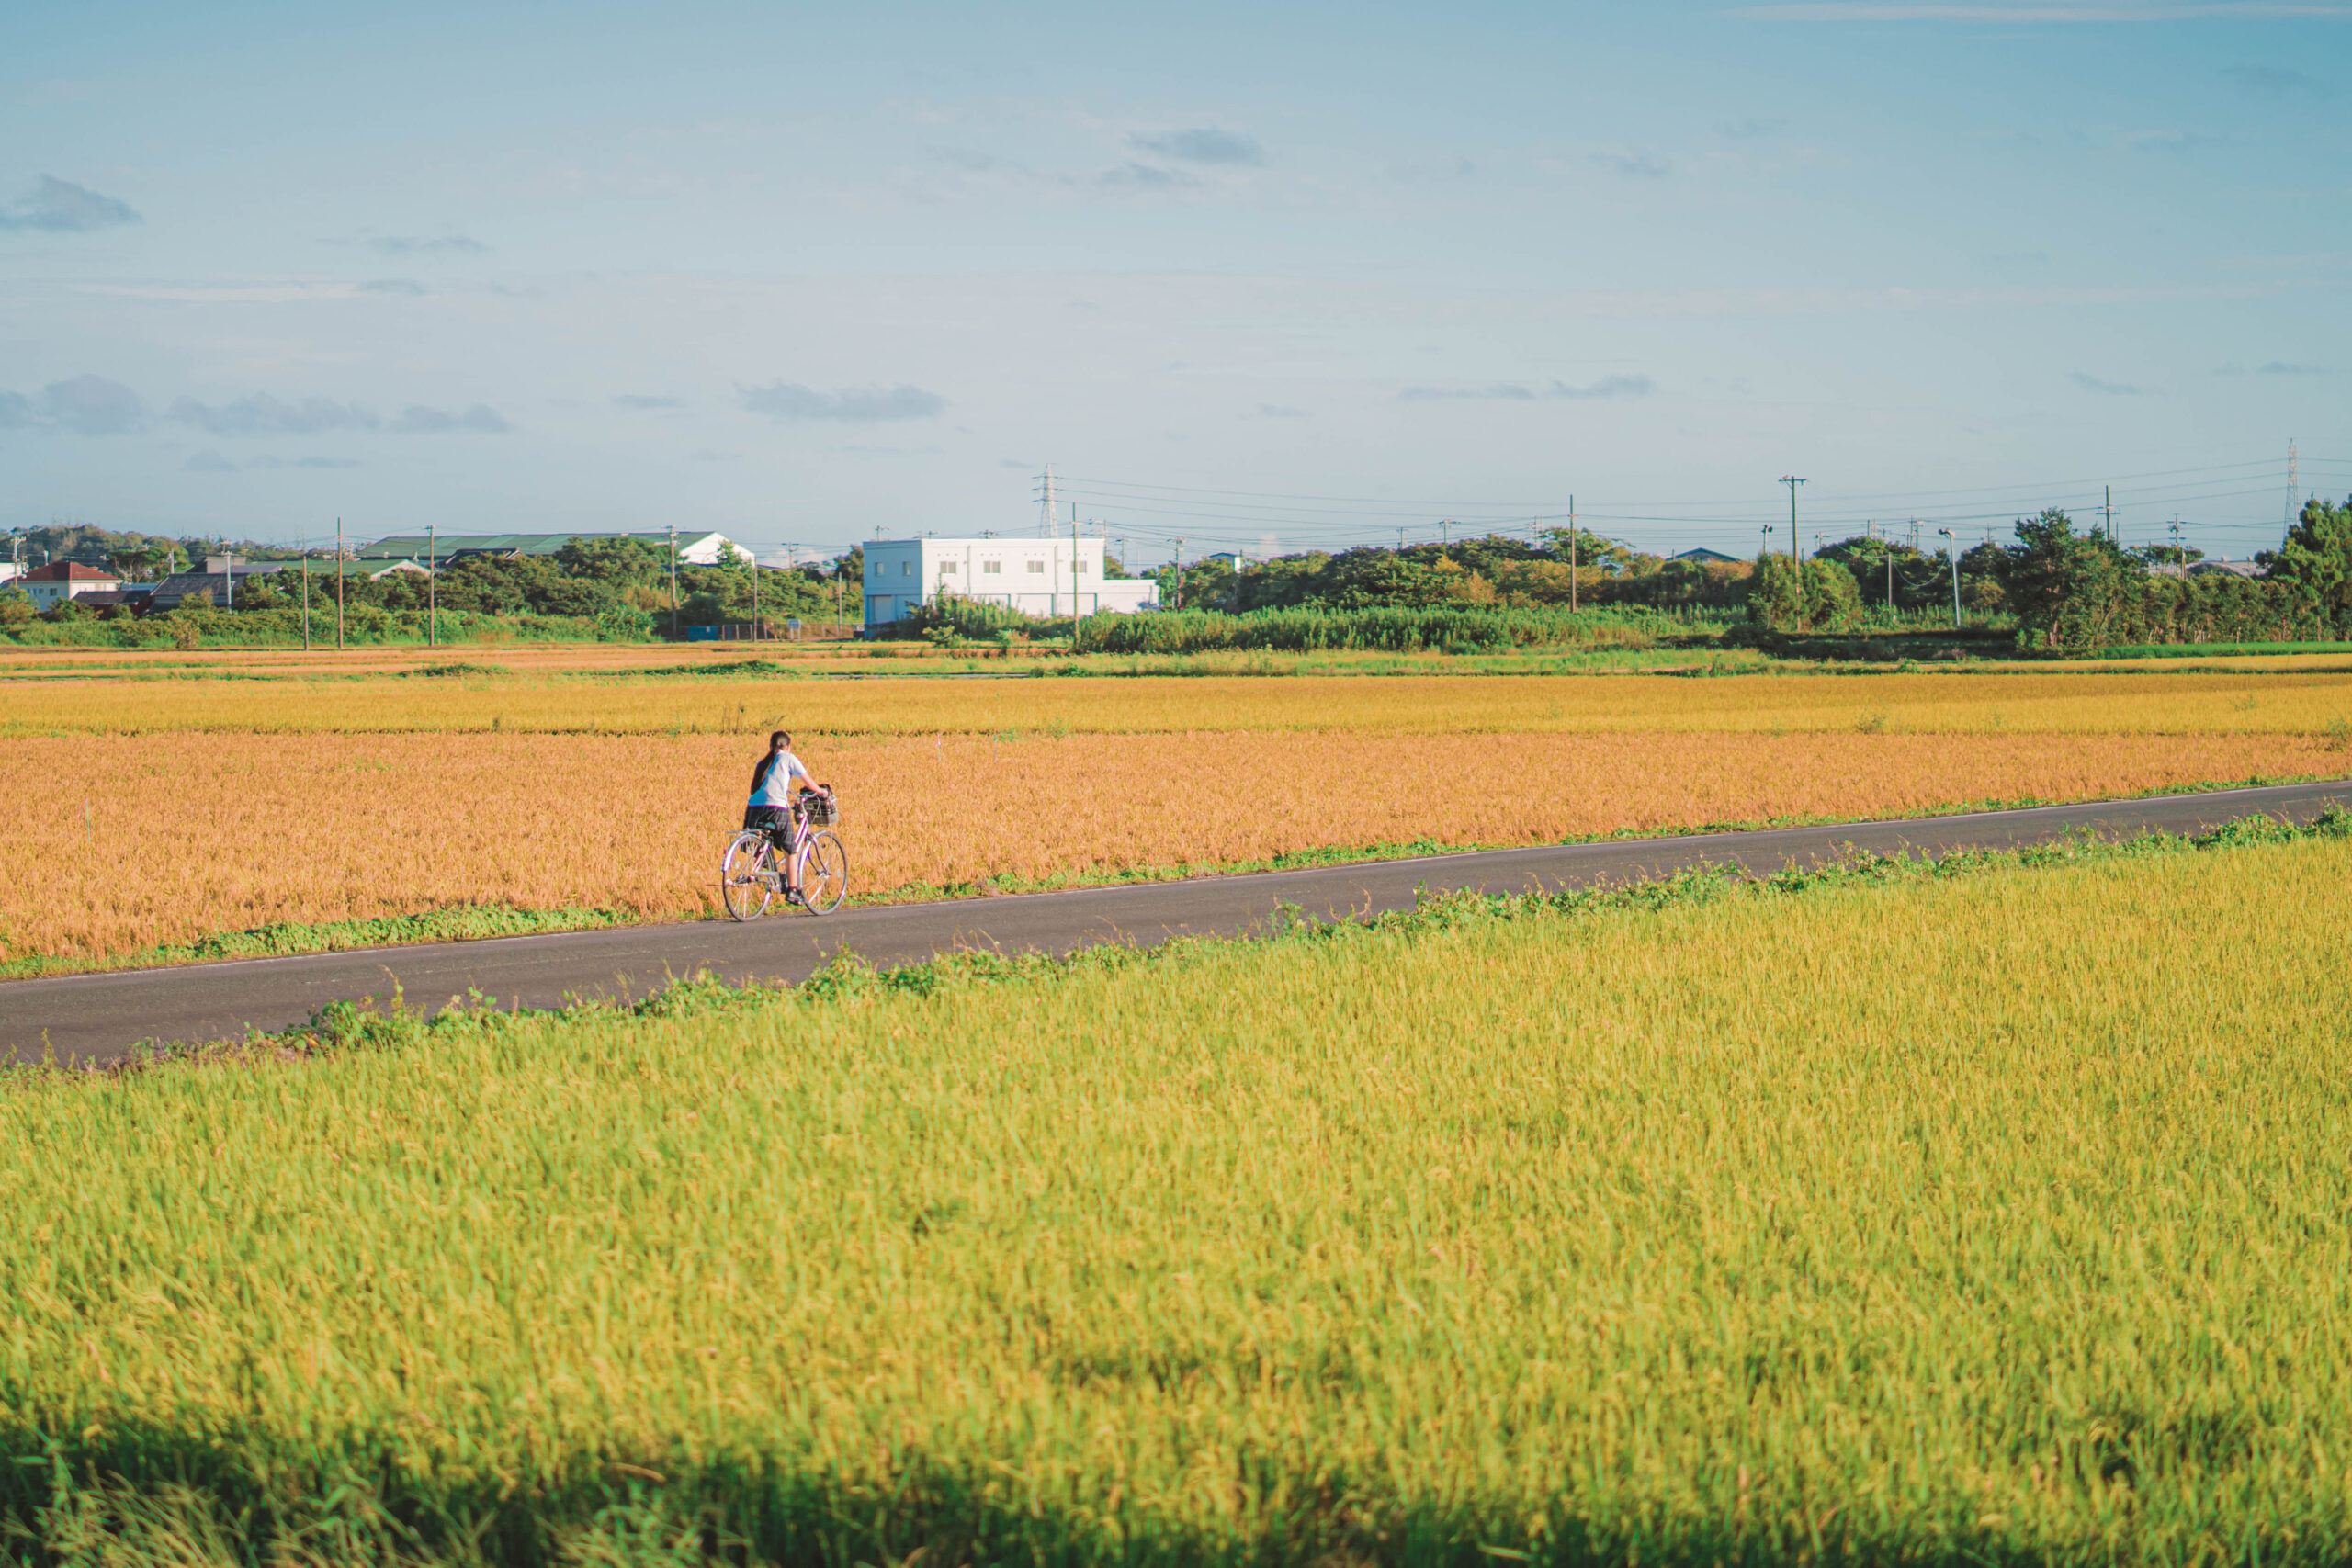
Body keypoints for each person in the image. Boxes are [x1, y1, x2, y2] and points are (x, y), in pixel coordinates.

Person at [744, 730, 829, 901]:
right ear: (788, 746)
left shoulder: (762, 763)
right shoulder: (788, 758)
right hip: (776, 807)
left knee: (763, 839)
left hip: (753, 808)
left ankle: (765, 865)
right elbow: (808, 781)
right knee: (790, 849)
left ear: (771, 746)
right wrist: (821, 792)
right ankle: (793, 890)